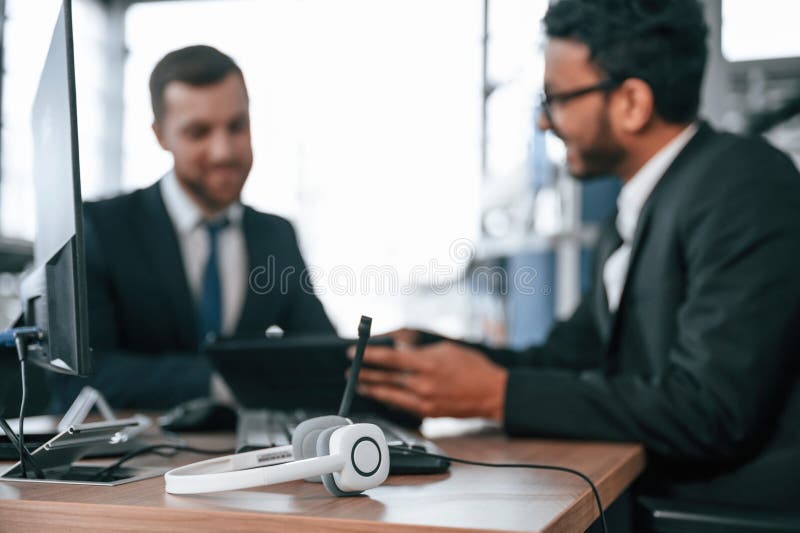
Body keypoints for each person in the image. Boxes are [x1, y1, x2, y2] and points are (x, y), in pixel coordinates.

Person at [356, 0, 800, 511]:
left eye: (558, 99)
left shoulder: (743, 184)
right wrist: (434, 357)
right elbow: (568, 359)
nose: (546, 123)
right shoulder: (638, 207)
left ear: (632, 102)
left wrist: (494, 393)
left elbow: (709, 411)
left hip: (721, 514)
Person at [51, 45, 334, 410]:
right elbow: (79, 379)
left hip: (245, 454)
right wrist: (227, 379)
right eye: (199, 132)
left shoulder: (276, 235)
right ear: (161, 135)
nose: (224, 151)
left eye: (237, 126)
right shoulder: (101, 228)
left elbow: (320, 354)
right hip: (138, 455)